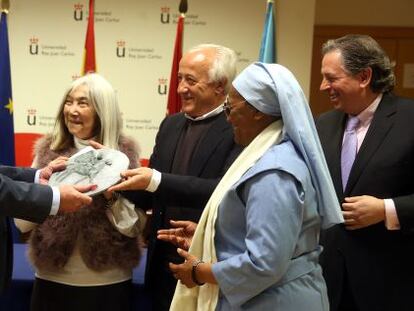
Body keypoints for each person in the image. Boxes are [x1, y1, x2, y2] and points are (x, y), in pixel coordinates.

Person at [156, 62, 343, 311]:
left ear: (258, 112)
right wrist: (211, 237)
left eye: (230, 108)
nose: (228, 118)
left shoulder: (274, 172)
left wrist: (200, 272)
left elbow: (264, 263)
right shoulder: (269, 156)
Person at [108, 44, 242, 310]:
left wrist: (155, 180)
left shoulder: (238, 127)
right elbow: (151, 189)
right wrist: (110, 174)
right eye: (179, 78)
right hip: (161, 262)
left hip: (207, 261)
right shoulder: (171, 125)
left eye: (190, 80)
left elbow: (223, 190)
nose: (180, 88)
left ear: (220, 85)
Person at [14, 73, 143, 311]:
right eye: (69, 101)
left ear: (103, 110)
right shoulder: (47, 153)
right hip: (52, 280)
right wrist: (47, 191)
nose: (72, 110)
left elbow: (134, 226)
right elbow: (22, 223)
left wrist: (109, 187)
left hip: (108, 283)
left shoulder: (125, 156)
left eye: (82, 103)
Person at [316, 34, 414, 311]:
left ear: (364, 76)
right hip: (329, 281)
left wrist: (386, 209)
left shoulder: (409, 120)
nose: (324, 86)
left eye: (331, 78)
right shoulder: (323, 124)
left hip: (390, 283)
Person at [0, 166, 94, 294]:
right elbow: (22, 224)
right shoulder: (47, 152)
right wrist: (53, 197)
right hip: (53, 273)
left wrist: (36, 176)